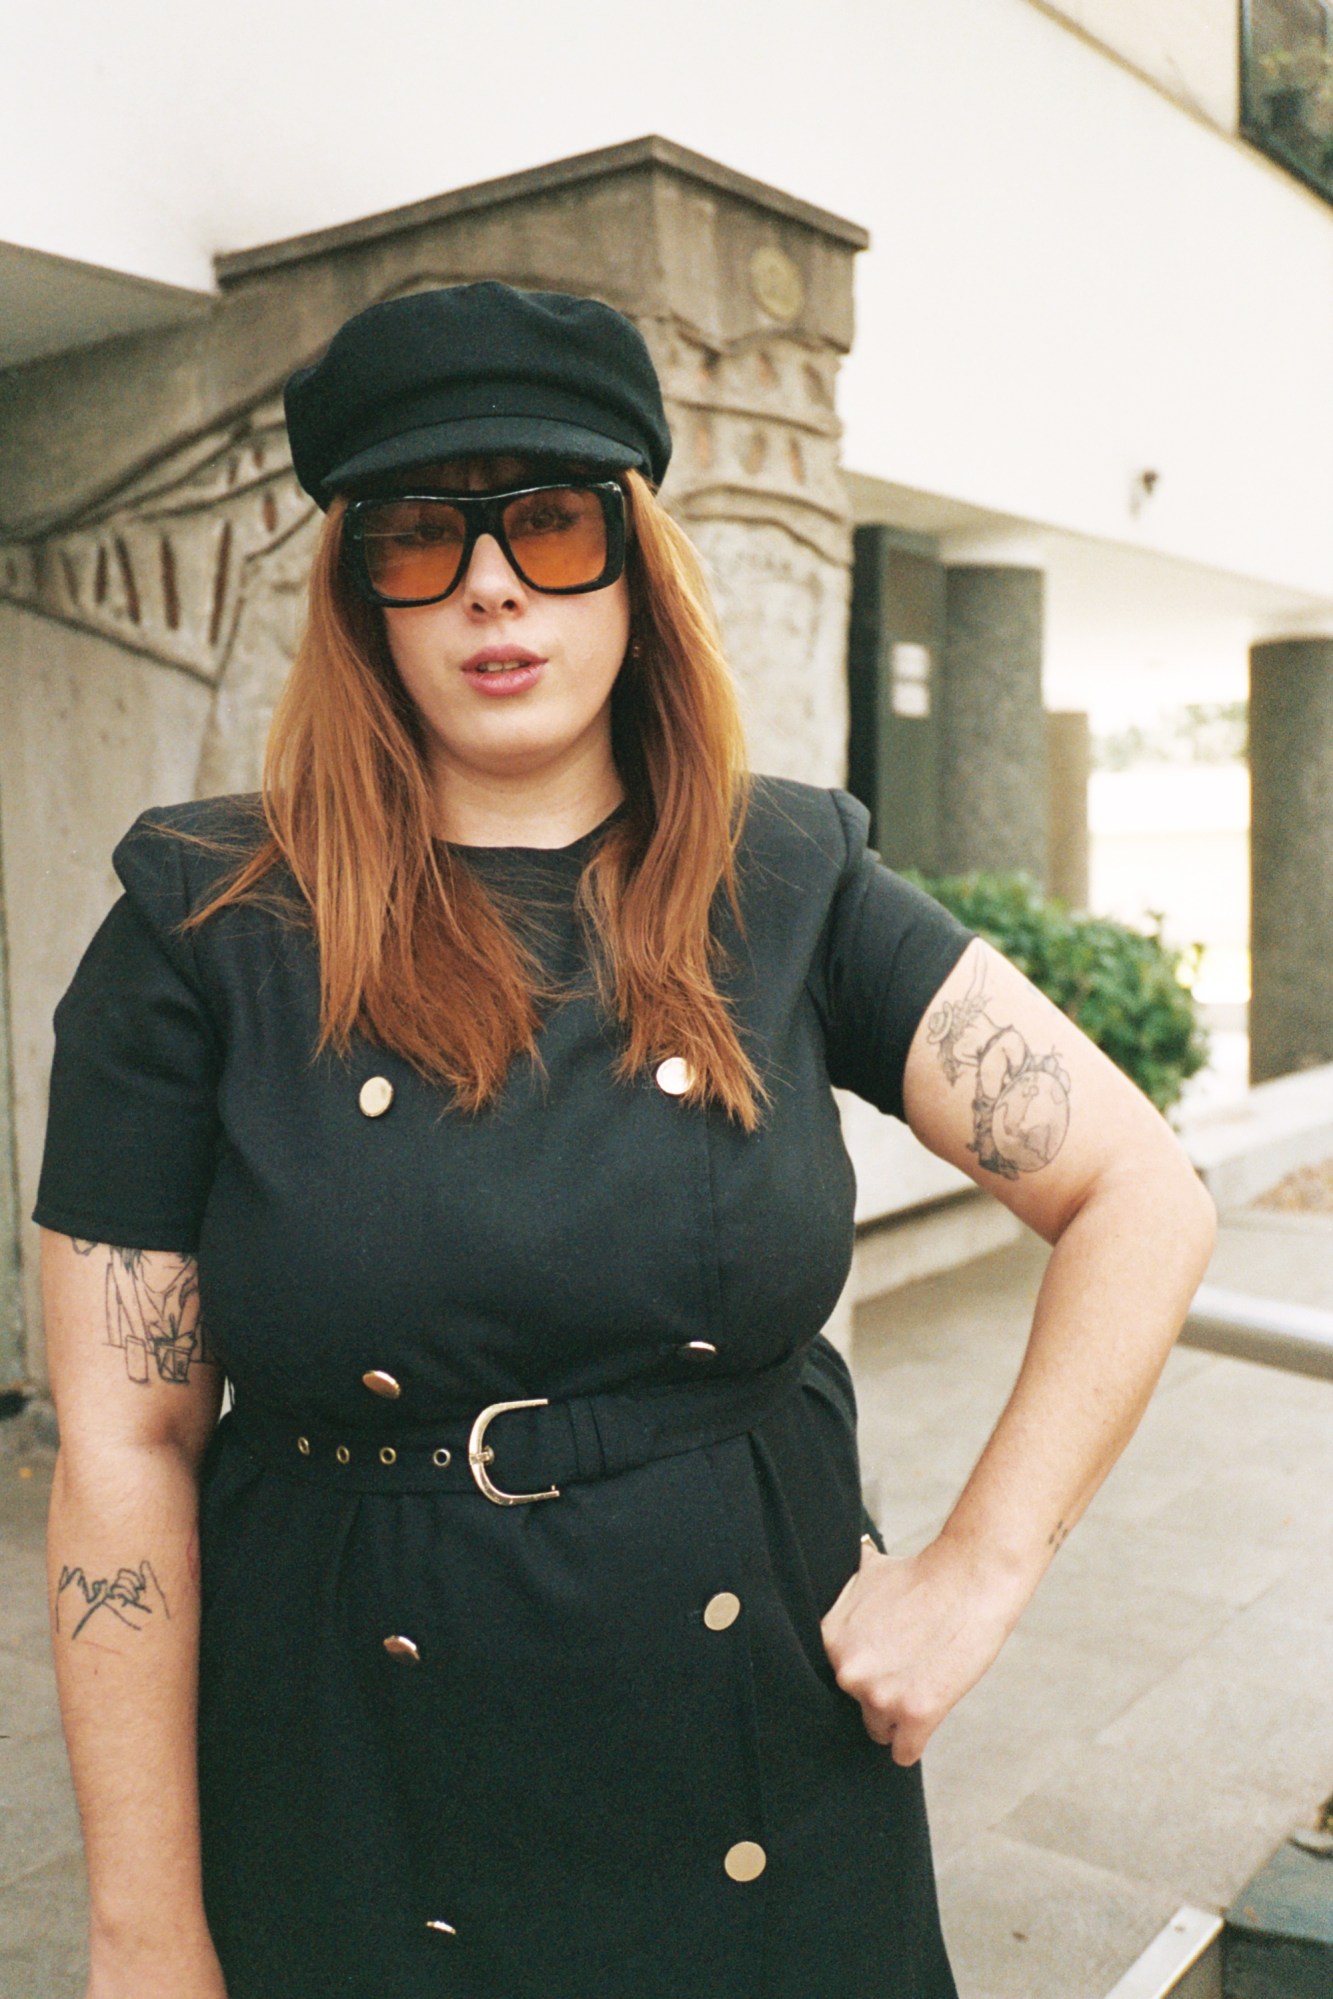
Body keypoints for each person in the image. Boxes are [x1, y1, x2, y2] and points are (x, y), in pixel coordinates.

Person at [35, 279, 1216, 1999]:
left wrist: (977, 1565)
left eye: (551, 519)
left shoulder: (789, 884)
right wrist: (143, 1934)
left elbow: (1137, 1189)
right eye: (419, 533)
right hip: (352, 1771)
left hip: (751, 1757)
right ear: (358, 592)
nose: (492, 582)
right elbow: (125, 1445)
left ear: (632, 563)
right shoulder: (202, 926)